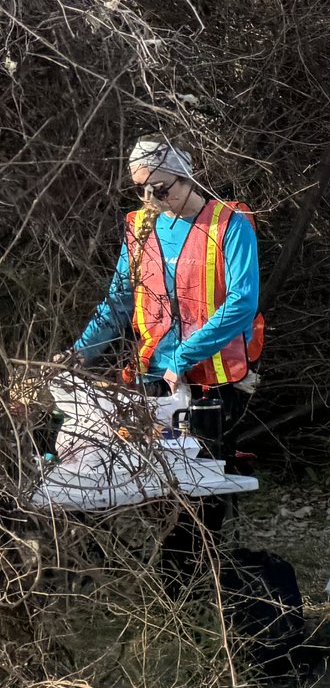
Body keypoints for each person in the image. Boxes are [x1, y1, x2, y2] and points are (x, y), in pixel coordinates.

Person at [68, 137, 265, 461]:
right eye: (140, 189)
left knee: (208, 472)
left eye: (159, 189)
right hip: (155, 369)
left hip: (216, 373)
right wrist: (80, 353)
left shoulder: (230, 224)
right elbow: (119, 300)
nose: (150, 199)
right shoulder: (141, 227)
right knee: (159, 471)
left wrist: (185, 356)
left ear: (186, 176)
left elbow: (242, 303)